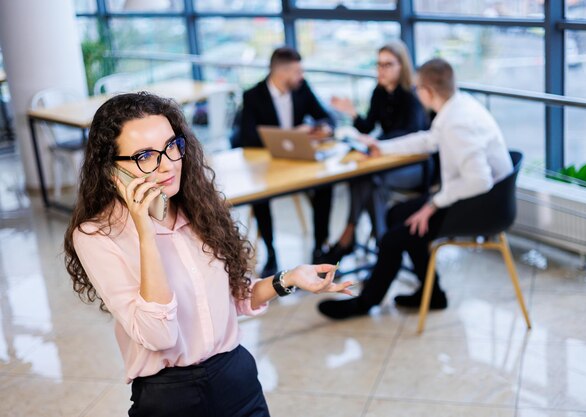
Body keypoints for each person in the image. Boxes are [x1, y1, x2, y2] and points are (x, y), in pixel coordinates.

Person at [64, 92, 353, 416]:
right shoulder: (96, 235)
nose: (168, 164)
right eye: (146, 155)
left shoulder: (199, 209)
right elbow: (159, 335)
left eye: (172, 146)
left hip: (236, 378)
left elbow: (238, 297)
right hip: (170, 397)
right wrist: (145, 231)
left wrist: (290, 278)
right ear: (112, 170)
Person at [317, 58, 513, 320]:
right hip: (478, 197)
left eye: (418, 87)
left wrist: (432, 205)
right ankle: (432, 293)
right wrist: (381, 147)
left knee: (393, 237)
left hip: (483, 206)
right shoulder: (456, 107)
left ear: (427, 91)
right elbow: (428, 141)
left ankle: (365, 302)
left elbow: (479, 181)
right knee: (396, 215)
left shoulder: (457, 122)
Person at [322, 40, 431, 264]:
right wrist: (352, 113)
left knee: (373, 179)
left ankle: (356, 239)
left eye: (388, 65)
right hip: (386, 161)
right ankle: (380, 242)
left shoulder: (412, 96)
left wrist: (376, 143)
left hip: (415, 165)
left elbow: (410, 136)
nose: (381, 70)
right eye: (379, 64)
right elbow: (367, 127)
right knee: (361, 176)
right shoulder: (378, 92)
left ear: (402, 66)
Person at [240, 46, 335, 277]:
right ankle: (271, 252)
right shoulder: (253, 96)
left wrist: (320, 128)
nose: (301, 77)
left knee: (326, 185)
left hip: (299, 161)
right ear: (281, 73)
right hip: (268, 163)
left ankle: (318, 247)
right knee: (260, 194)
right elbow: (247, 136)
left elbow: (327, 117)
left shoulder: (301, 89)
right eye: (297, 72)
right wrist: (292, 132)